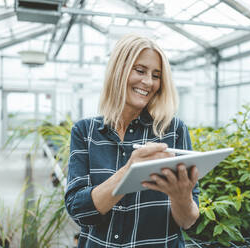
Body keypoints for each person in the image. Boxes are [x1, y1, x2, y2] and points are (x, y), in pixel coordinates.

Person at [65, 34, 200, 247]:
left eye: (156, 75)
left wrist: (181, 196)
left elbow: (188, 221)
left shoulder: (173, 131)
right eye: (140, 70)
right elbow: (79, 211)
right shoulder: (85, 131)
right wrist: (128, 173)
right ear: (119, 71)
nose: (148, 82)